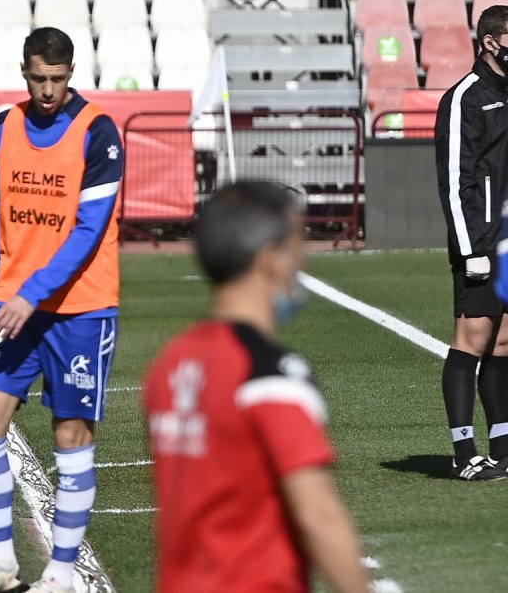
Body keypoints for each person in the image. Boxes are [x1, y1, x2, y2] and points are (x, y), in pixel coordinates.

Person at [0, 27, 123, 593]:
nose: (48, 89)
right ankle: (2, 564)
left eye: (57, 78)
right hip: (13, 307)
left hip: (81, 309)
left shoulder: (98, 132)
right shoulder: (6, 127)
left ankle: (61, 573)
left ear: (70, 72)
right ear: (23, 73)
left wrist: (32, 294)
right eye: (37, 78)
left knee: (71, 434)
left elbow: (88, 231)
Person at [143, 182, 370, 593]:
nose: (303, 262)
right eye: (298, 247)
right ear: (271, 259)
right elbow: (318, 516)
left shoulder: (169, 363)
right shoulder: (271, 373)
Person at [435, 4, 508, 481]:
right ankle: (465, 454)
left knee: (504, 343)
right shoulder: (465, 96)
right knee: (473, 340)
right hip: (482, 242)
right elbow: (455, 180)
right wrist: (471, 250)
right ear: (490, 42)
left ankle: (503, 446)